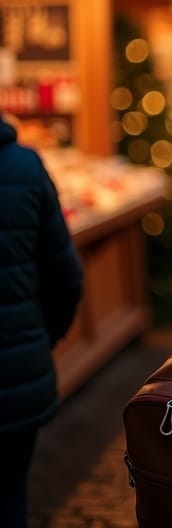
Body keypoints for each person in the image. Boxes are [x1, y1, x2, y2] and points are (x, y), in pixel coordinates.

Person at [0, 114, 83, 528]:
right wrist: (36, 340)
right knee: (10, 495)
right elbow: (65, 280)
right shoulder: (25, 167)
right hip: (16, 376)